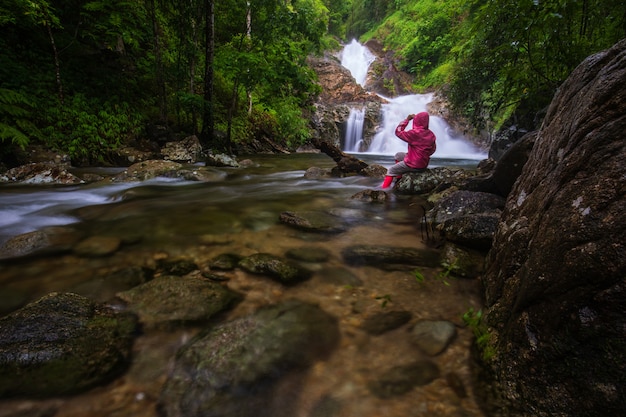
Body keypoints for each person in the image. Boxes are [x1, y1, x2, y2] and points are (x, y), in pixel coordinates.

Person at [380, 111, 437, 189]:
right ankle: (399, 178)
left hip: (413, 164)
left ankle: (383, 190)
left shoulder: (414, 133)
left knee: (391, 170)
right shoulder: (431, 134)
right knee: (398, 155)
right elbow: (433, 149)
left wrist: (407, 120)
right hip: (424, 163)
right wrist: (421, 154)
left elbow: (398, 132)